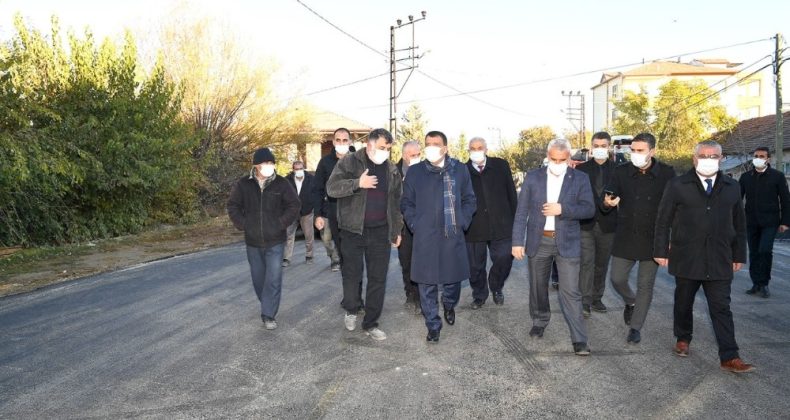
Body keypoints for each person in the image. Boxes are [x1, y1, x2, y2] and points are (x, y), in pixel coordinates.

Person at [654, 140, 754, 373]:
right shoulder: (678, 185)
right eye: (703, 155)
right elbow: (663, 220)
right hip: (687, 255)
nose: (708, 160)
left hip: (720, 257)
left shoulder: (732, 186)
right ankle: (683, 337)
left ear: (721, 159)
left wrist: (739, 253)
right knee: (683, 302)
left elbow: (739, 223)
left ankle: (730, 356)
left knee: (721, 307)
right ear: (694, 158)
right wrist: (660, 250)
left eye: (713, 156)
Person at [511, 138, 595, 356]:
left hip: (567, 242)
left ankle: (579, 339)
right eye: (553, 159)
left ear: (569, 158)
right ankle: (539, 320)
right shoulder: (533, 177)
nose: (558, 163)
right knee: (538, 287)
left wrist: (562, 209)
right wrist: (517, 241)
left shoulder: (580, 178)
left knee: (571, 292)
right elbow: (521, 212)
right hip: (539, 242)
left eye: (562, 159)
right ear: (547, 157)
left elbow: (588, 209)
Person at [326, 128, 403, 341]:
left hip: (380, 232)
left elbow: (396, 202)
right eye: (381, 147)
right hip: (353, 231)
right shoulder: (350, 162)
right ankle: (351, 309)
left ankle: (371, 323)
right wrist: (357, 184)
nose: (385, 152)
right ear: (369, 145)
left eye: (388, 148)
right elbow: (331, 188)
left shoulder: (391, 169)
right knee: (352, 275)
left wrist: (396, 230)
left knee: (378, 279)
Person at [401, 130, 476, 343]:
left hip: (452, 235)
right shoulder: (415, 172)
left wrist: (462, 221)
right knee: (426, 283)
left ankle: (449, 305)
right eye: (428, 143)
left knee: (452, 282)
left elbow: (470, 199)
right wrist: (415, 223)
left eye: (435, 143)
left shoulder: (459, 170)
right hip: (425, 236)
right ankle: (433, 324)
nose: (431, 147)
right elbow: (406, 202)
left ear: (445, 147)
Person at [603, 132, 675, 344]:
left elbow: (675, 208)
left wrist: (670, 238)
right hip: (626, 235)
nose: (635, 154)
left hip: (653, 238)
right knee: (616, 278)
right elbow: (608, 196)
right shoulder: (621, 172)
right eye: (632, 150)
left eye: (640, 150)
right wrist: (607, 202)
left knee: (646, 284)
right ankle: (630, 301)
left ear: (652, 151)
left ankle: (636, 327)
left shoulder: (667, 174)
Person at [227, 148, 300, 330]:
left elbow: (294, 205)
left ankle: (268, 314)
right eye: (265, 163)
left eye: (271, 163)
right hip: (253, 241)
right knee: (259, 279)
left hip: (275, 240)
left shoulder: (282, 184)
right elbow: (233, 206)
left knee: (274, 278)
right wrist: (244, 224)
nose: (269, 166)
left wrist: (280, 223)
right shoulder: (244, 184)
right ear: (256, 166)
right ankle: (266, 302)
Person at [465, 136, 518, 308]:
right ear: (468, 151)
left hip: (501, 224)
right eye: (473, 148)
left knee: (504, 258)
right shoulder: (463, 170)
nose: (476, 150)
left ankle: (496, 285)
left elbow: (511, 193)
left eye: (480, 147)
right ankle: (479, 294)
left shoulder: (501, 165)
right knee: (474, 266)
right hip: (474, 227)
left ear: (486, 149)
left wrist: (516, 221)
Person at [739, 146, 790, 298]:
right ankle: (755, 283)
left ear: (768, 159)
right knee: (754, 253)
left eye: (762, 156)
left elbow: (786, 200)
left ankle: (764, 283)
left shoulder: (777, 176)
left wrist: (785, 222)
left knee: (765, 251)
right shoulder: (746, 177)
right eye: (756, 155)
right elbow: (737, 200)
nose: (758, 158)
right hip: (751, 221)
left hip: (770, 222)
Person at [575, 132, 618, 317]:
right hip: (585, 224)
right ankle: (584, 301)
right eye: (596, 145)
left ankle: (596, 297)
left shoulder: (619, 170)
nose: (600, 149)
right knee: (586, 263)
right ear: (591, 147)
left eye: (603, 145)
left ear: (609, 147)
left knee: (601, 264)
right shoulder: (580, 170)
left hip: (608, 225)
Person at [312, 128, 353, 272]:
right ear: (333, 141)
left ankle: (340, 260)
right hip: (329, 208)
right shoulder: (325, 162)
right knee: (327, 239)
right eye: (338, 140)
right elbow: (317, 189)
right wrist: (317, 214)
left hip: (351, 210)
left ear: (350, 141)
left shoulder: (358, 161)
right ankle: (333, 256)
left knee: (347, 242)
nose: (341, 143)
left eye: (345, 140)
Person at [396, 140, 422, 314]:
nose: (417, 158)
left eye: (419, 154)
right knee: (406, 263)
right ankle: (410, 294)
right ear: (405, 156)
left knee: (422, 262)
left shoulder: (426, 170)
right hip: (403, 226)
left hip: (422, 225)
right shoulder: (393, 172)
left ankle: (422, 297)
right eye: (413, 155)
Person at [283, 160, 315, 267]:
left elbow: (316, 193)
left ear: (304, 168)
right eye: (296, 169)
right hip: (292, 212)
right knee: (288, 235)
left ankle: (309, 256)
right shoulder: (287, 180)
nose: (299, 171)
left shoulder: (311, 179)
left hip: (306, 212)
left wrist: (312, 205)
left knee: (309, 235)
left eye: (301, 168)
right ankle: (286, 258)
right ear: (293, 170)